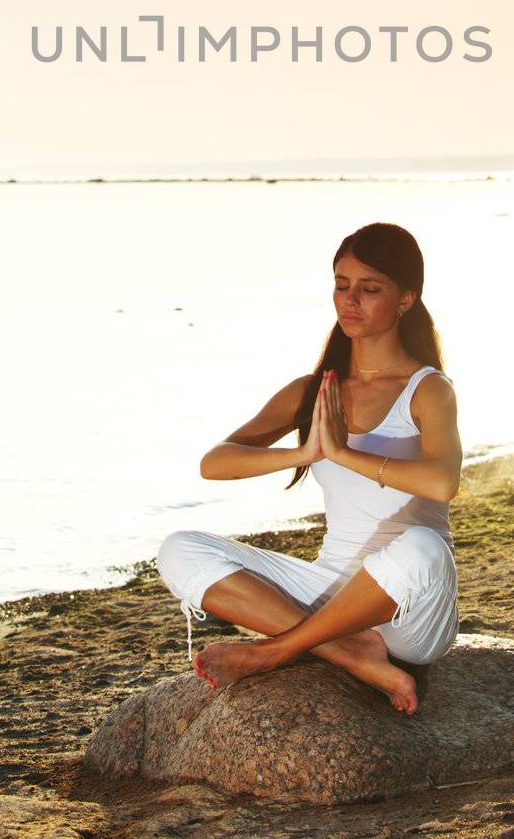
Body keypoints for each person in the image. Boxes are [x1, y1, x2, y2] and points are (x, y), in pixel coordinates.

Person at [156, 221, 462, 714]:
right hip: (330, 590)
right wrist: (303, 454)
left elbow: (443, 482)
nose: (350, 301)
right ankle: (347, 651)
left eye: (369, 289)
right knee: (178, 550)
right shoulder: (314, 389)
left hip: (409, 610)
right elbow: (214, 464)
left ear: (406, 299)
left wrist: (344, 454)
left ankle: (278, 649)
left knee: (423, 547)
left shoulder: (428, 390)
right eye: (342, 285)